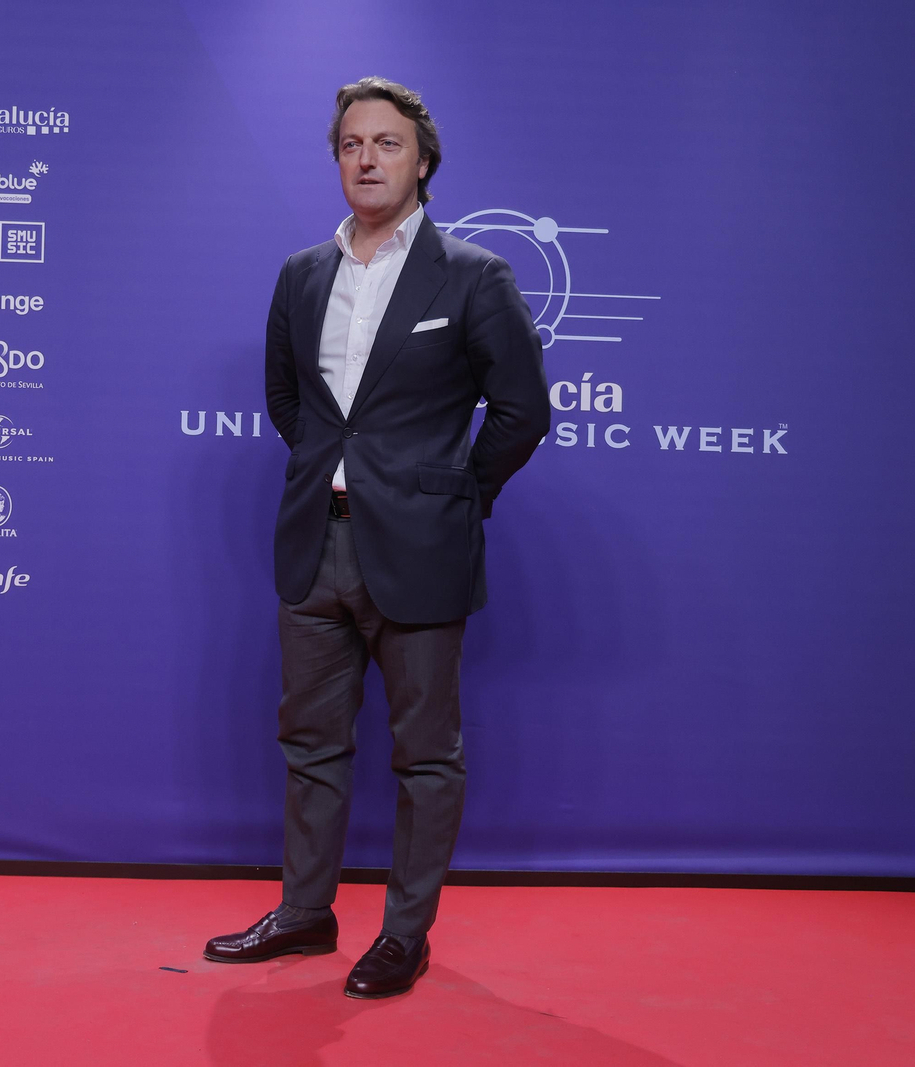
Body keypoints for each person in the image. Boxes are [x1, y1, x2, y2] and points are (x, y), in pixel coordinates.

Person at [203, 77, 550, 998]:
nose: (367, 158)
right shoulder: (300, 274)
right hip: (315, 542)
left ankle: (404, 934)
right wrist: (335, 471)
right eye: (352, 144)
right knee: (309, 741)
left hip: (422, 547)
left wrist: (452, 496)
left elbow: (522, 411)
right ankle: (304, 911)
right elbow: (290, 403)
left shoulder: (474, 275)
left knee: (426, 754)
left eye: (387, 143)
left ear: (423, 162)